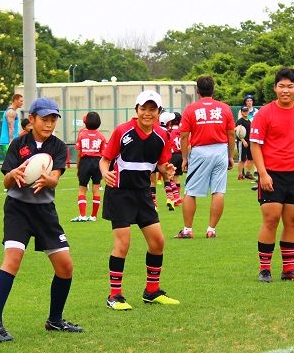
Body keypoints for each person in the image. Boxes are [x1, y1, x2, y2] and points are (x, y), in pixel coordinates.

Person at [0, 97, 82, 342]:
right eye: (44, 119)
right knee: (12, 259)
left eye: (53, 120)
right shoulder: (18, 144)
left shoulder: (58, 146)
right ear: (32, 119)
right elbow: (6, 181)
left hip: (45, 212)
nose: (49, 124)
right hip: (18, 210)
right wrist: (13, 174)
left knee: (65, 266)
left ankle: (55, 320)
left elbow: (56, 177)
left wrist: (50, 180)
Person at [100, 90, 179, 310]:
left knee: (157, 242)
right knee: (123, 244)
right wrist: (105, 173)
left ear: (159, 112)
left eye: (152, 109)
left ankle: (152, 292)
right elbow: (105, 160)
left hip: (143, 194)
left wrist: (166, 170)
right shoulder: (122, 131)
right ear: (136, 110)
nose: (147, 113)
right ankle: (115, 296)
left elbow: (161, 164)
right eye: (143, 108)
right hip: (120, 193)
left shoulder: (162, 135)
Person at [249, 67, 294, 282]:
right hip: (271, 174)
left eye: (290, 86)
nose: (285, 90)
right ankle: (265, 269)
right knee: (271, 219)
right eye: (281, 86)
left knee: (293, 221)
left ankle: (289, 269)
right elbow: (255, 145)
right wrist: (263, 174)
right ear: (275, 88)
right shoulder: (264, 113)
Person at [175, 75, 235, 239]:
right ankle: (211, 229)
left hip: (200, 151)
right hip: (220, 150)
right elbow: (231, 134)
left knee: (190, 191)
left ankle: (187, 230)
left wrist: (185, 158)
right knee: (218, 191)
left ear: (197, 90)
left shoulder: (191, 109)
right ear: (213, 90)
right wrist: (230, 156)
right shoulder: (224, 108)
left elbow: (184, 136)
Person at [72, 111, 106, 222]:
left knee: (82, 189)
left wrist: (78, 167)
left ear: (86, 122)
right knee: (96, 189)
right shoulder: (101, 136)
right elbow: (104, 155)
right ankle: (93, 216)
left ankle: (82, 215)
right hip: (97, 162)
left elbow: (79, 153)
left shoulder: (82, 135)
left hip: (85, 162)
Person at [236, 95, 257, 181]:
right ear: (241, 112)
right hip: (242, 142)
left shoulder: (249, 121)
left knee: (251, 158)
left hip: (249, 141)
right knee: (242, 159)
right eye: (244, 111)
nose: (245, 112)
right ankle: (240, 175)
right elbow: (237, 131)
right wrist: (243, 140)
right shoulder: (240, 121)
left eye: (246, 111)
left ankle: (248, 173)